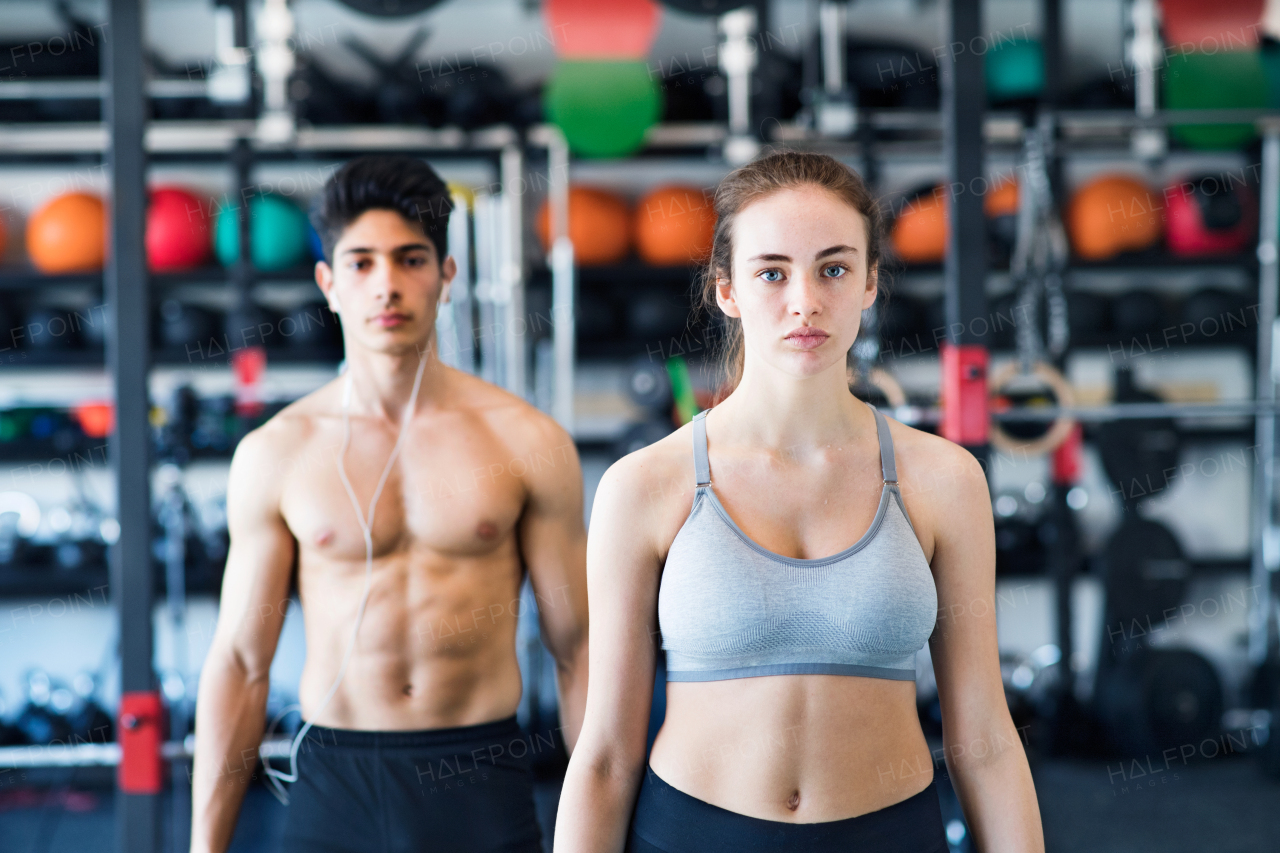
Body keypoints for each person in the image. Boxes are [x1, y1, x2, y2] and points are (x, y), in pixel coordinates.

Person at [555, 151, 1043, 853]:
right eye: (772, 271)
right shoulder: (644, 485)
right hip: (692, 832)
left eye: (834, 268)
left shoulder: (944, 478)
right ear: (726, 288)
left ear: (872, 282)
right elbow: (604, 754)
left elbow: (986, 737)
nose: (805, 301)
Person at [191, 155, 589, 853]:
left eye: (410, 259)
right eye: (362, 263)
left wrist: (599, 833)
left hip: (479, 777)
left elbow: (579, 648)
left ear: (446, 275)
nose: (388, 285)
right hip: (337, 781)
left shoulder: (527, 441)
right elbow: (241, 663)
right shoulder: (276, 452)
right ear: (329, 283)